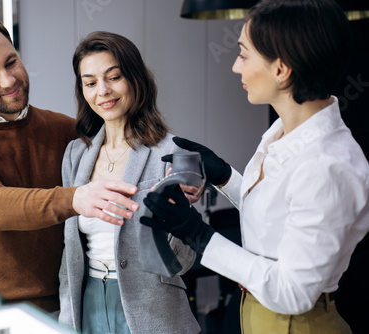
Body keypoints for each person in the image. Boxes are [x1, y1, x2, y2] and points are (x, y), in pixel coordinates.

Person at [141, 0, 369, 333]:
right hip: (257, 314)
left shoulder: (328, 165)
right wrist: (224, 175)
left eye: (244, 55)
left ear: (281, 69)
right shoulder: (284, 131)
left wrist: (199, 236)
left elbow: (293, 293)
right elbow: (277, 218)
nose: (235, 66)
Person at [0, 14, 140, 313]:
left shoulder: (66, 129)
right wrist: (75, 198)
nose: (9, 80)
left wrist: (171, 183)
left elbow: (122, 158)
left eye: (11, 62)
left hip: (68, 304)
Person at [58, 31, 201, 333]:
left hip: (154, 311)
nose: (103, 91)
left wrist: (176, 216)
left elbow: (184, 261)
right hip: (88, 304)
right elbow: (69, 253)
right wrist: (67, 318)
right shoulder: (75, 155)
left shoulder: (172, 152)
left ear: (135, 79)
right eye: (91, 82)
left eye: (114, 77)